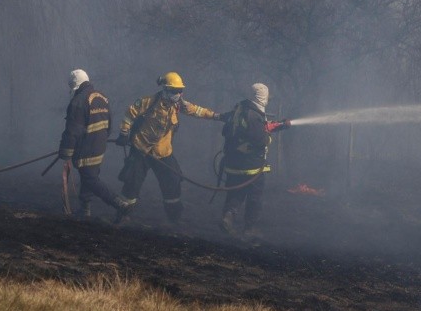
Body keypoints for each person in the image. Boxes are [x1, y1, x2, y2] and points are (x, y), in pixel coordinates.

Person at [114, 71, 222, 224]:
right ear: (165, 89)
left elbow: (197, 111)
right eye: (174, 91)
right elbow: (130, 114)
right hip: (141, 150)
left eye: (180, 91)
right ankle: (123, 215)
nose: (178, 94)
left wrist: (217, 116)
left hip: (163, 153)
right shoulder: (148, 102)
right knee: (132, 183)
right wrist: (124, 133)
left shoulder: (178, 106)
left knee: (173, 182)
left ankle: (174, 219)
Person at [218, 83, 289, 240]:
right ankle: (249, 229)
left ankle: (227, 218)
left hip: (234, 163)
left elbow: (253, 130)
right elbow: (260, 139)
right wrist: (269, 137)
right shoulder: (254, 115)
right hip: (252, 166)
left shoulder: (241, 109)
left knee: (235, 193)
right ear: (262, 97)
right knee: (254, 197)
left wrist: (280, 125)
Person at [58, 69, 131, 218]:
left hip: (86, 148)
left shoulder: (78, 102)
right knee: (89, 176)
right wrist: (102, 138)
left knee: (90, 179)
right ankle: (85, 209)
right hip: (99, 146)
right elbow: (109, 124)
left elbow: (73, 131)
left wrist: (65, 152)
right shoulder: (101, 96)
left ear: (75, 86)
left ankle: (119, 204)